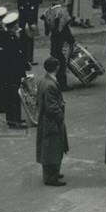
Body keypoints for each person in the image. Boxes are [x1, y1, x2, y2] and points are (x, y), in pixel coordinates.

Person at [36, 57, 69, 186]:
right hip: (52, 121)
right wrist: (60, 113)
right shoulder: (50, 85)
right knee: (53, 148)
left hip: (46, 120)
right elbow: (52, 107)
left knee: (50, 147)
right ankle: (51, 176)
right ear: (56, 67)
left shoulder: (44, 81)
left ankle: (52, 173)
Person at [41, 0, 75, 90]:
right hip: (61, 39)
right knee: (62, 62)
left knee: (55, 58)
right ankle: (62, 84)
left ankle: (55, 81)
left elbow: (46, 27)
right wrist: (71, 40)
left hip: (53, 38)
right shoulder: (62, 11)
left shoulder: (48, 10)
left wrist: (48, 31)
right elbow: (65, 28)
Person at [16, 0, 42, 65]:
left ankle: (29, 58)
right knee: (24, 40)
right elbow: (23, 8)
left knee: (30, 39)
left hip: (30, 19)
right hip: (25, 19)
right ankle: (25, 59)